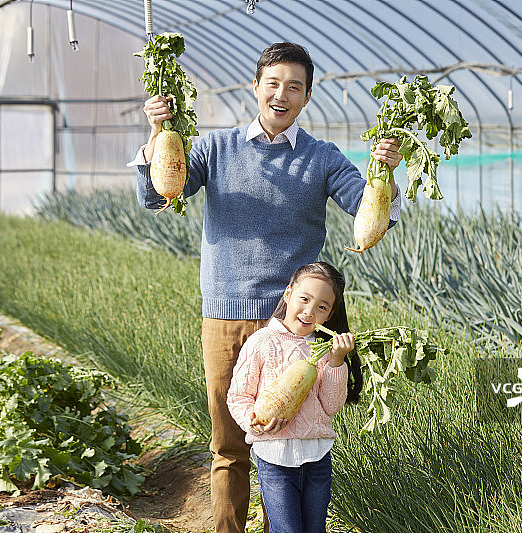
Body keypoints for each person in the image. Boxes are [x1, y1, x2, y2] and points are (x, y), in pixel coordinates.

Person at [129, 42, 403, 533]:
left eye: (294, 87)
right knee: (229, 445)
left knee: (293, 441)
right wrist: (157, 135)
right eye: (273, 84)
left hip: (295, 326)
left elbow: (369, 213)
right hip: (226, 316)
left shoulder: (323, 158)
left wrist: (386, 171)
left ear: (307, 95)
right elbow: (158, 194)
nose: (282, 94)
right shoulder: (216, 148)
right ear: (256, 87)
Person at [226, 261, 361, 533]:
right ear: (288, 294)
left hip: (317, 456)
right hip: (274, 457)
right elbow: (239, 396)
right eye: (304, 299)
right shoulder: (262, 342)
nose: (310, 311)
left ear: (330, 314)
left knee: (314, 529)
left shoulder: (324, 350)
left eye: (322, 307)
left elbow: (331, 405)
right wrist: (252, 422)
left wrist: (336, 361)